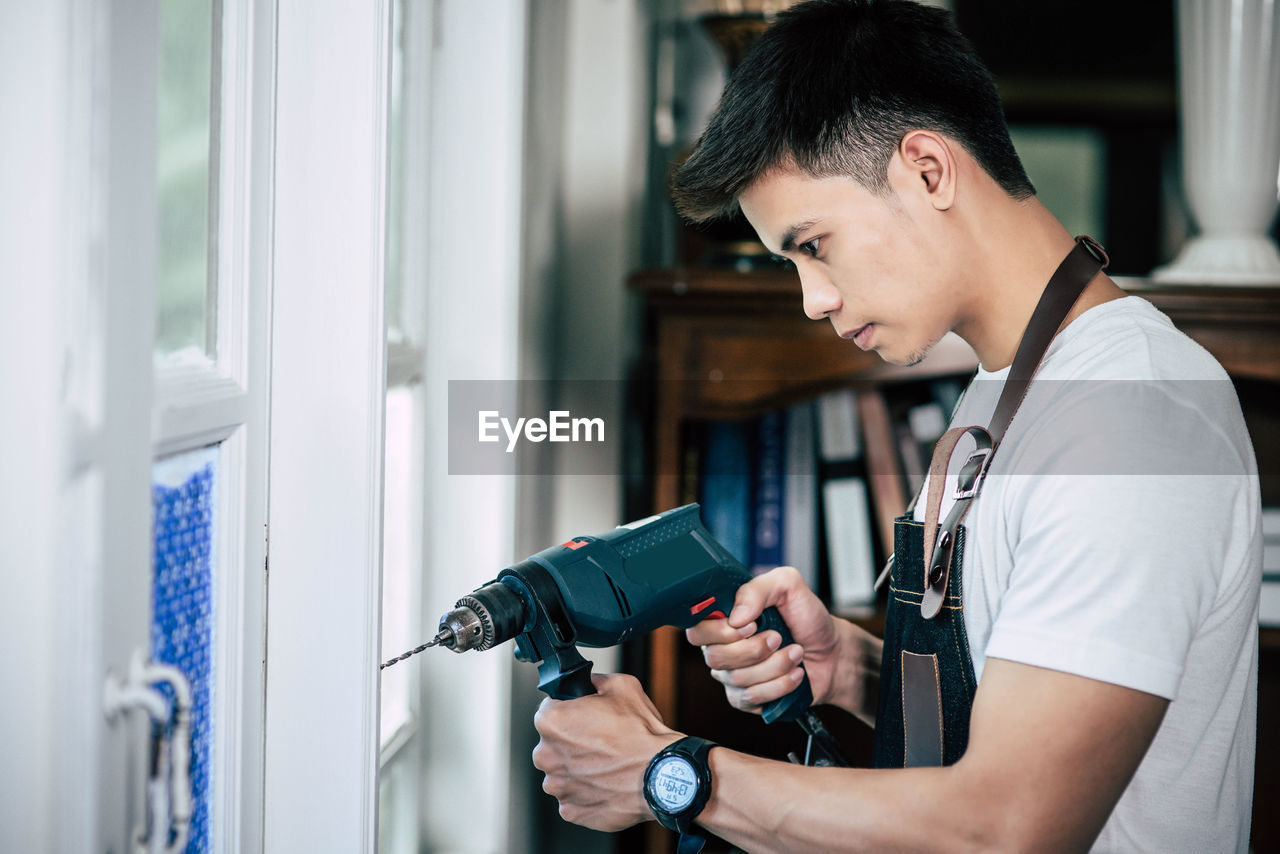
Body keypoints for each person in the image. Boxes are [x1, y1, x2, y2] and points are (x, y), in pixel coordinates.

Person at [532, 1, 1262, 851]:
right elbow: (1028, 715)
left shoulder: (1129, 418)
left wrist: (672, 773)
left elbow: (1007, 831)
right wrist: (855, 668)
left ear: (926, 169)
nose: (814, 300)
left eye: (815, 245)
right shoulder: (1006, 395)